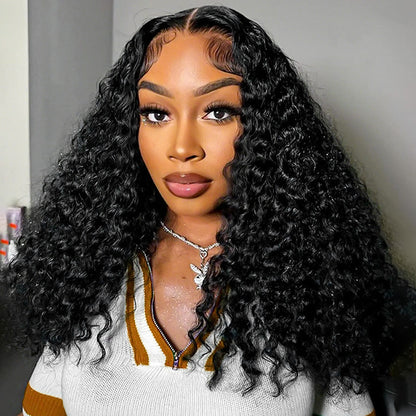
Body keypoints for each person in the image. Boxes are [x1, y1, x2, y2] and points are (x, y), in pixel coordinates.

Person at [5, 5, 416, 416]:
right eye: (156, 113)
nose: (183, 147)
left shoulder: (308, 285)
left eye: (218, 112)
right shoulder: (87, 269)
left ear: (265, 128)